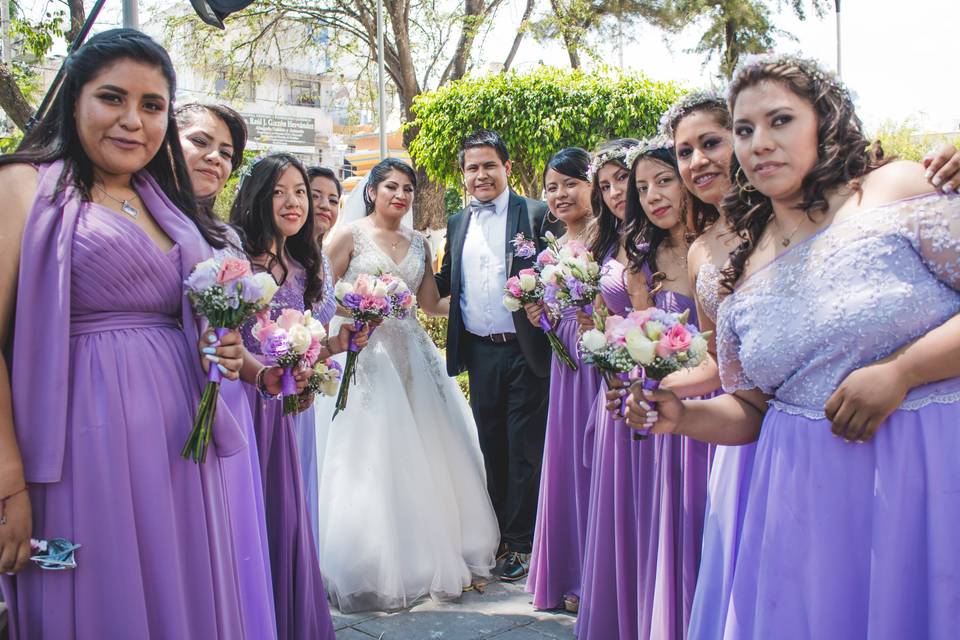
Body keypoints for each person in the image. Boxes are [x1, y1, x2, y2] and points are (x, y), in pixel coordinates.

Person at [628, 53, 960, 638]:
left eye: (780, 121)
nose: (760, 143)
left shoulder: (899, 189)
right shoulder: (734, 269)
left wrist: (903, 371)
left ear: (823, 122)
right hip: (800, 504)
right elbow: (752, 407)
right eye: (746, 130)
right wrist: (681, 416)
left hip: (927, 475)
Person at [0, 29, 273, 638]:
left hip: (182, 452)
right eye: (112, 98)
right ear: (74, 101)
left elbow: (192, 313)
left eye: (152, 106)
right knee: (73, 575)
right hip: (74, 456)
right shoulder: (24, 185)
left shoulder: (166, 204)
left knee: (184, 596)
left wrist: (222, 345)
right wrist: (8, 486)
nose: (133, 121)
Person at [320, 158, 499, 612]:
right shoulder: (349, 235)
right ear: (373, 192)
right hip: (364, 353)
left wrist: (486, 293)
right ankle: (371, 558)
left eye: (407, 190)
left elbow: (432, 303)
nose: (399, 196)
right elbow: (321, 296)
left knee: (429, 453)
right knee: (373, 452)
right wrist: (354, 313)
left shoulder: (420, 241)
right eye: (391, 188)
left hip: (413, 354)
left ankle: (429, 548)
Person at [232, 152, 355, 639]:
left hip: (291, 407)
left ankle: (286, 614)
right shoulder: (234, 257)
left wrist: (337, 344)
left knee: (289, 511)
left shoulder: (308, 262)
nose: (293, 202)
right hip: (243, 404)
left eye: (300, 191)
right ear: (258, 197)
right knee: (246, 514)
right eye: (279, 191)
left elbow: (313, 340)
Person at [175, 102, 278, 637]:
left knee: (231, 534)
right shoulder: (146, 222)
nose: (215, 158)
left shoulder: (228, 238)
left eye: (227, 153)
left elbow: (237, 337)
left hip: (227, 399)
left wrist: (262, 373)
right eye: (200, 142)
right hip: (174, 397)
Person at [435, 130, 553, 581]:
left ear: (505, 167)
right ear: (463, 174)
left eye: (489, 165)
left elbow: (557, 273)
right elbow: (446, 280)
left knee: (524, 446)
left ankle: (522, 542)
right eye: (471, 167)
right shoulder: (456, 222)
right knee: (491, 445)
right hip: (480, 351)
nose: (480, 174)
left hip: (525, 349)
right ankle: (500, 533)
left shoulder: (536, 214)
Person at [522, 148, 601, 613]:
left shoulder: (609, 235)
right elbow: (557, 308)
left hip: (597, 356)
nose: (559, 194)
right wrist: (541, 314)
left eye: (570, 183)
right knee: (567, 457)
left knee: (593, 458)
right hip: (564, 358)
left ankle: (594, 570)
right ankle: (567, 568)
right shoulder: (551, 243)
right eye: (551, 187)